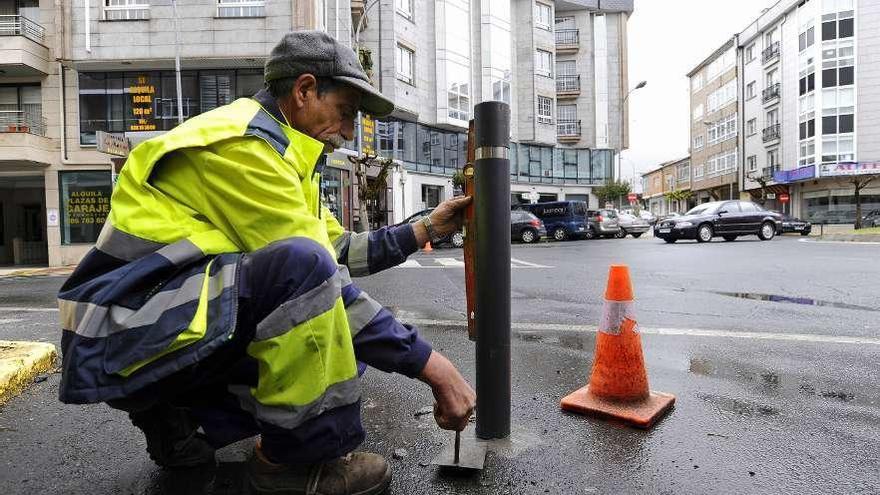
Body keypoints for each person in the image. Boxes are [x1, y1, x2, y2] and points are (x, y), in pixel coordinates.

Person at [57, 31, 476, 495]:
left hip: (144, 330)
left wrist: (429, 229)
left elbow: (340, 252)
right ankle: (292, 465)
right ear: (303, 91)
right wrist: (435, 368)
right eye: (345, 111)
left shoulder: (283, 157)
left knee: (332, 339)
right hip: (122, 336)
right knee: (323, 325)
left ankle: (186, 425)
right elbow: (317, 278)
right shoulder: (243, 150)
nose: (349, 130)